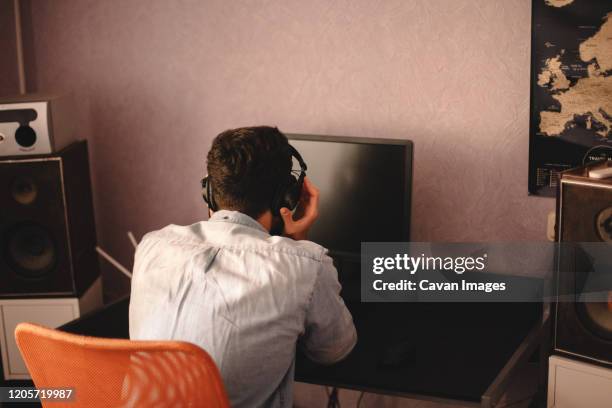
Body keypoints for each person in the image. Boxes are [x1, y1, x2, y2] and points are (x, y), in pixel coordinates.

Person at [129, 126, 357, 407]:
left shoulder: (151, 246)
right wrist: (301, 244)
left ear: (209, 192)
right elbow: (334, 350)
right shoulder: (305, 267)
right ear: (286, 198)